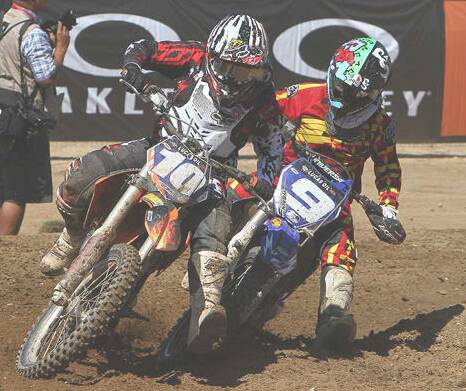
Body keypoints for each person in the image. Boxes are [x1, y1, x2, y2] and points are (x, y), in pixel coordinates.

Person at [40, 14, 284, 354]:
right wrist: (134, 71)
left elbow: (273, 143)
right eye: (230, 68)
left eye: (247, 72)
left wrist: (268, 178)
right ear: (213, 57)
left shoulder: (264, 96)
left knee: (214, 233)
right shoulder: (193, 57)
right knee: (84, 173)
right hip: (159, 144)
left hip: (213, 175)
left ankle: (205, 311)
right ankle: (73, 236)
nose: (238, 78)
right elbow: (144, 48)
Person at [278, 37, 402, 350]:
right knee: (238, 191)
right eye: (346, 87)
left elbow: (387, 168)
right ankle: (213, 259)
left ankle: (332, 316)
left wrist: (388, 210)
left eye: (359, 93)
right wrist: (272, 126)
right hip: (281, 187)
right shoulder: (302, 96)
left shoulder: (379, 124)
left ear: (374, 91)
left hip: (335, 207)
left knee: (342, 249)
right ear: (335, 72)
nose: (349, 97)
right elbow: (259, 111)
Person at [0, 0, 69, 235]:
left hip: (4, 110)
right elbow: (45, 77)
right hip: (21, 119)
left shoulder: (5, 19)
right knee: (16, 190)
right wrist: (60, 48)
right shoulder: (31, 32)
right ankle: (5, 253)